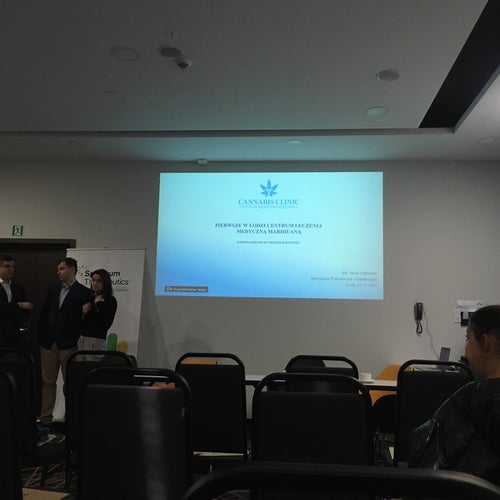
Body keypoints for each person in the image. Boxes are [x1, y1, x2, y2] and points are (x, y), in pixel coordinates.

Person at [408, 304, 500, 486]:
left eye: (468, 338)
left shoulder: (469, 402)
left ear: (484, 343)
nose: (466, 347)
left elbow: (428, 464)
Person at [38, 257, 92, 426]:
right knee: (48, 382)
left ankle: (71, 418)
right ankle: (45, 418)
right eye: (58, 269)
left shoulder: (84, 292)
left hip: (68, 344)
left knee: (70, 383)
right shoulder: (53, 290)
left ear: (72, 269)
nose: (58, 272)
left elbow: (86, 320)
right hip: (49, 343)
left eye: (62, 268)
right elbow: (44, 314)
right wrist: (42, 337)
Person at [0, 253, 34, 348]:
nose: (11, 269)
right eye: (7, 266)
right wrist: (18, 305)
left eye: (13, 267)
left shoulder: (19, 289)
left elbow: (25, 312)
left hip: (13, 336)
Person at [79, 268, 117, 350]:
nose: (95, 283)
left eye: (99, 281)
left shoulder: (110, 300)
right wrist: (82, 312)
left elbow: (106, 323)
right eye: (93, 280)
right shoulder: (88, 297)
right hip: (82, 338)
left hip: (97, 340)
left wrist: (97, 305)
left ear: (105, 283)